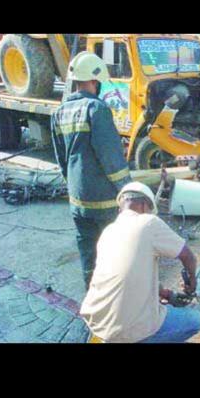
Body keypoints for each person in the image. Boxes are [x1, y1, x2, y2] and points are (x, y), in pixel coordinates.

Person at [79, 182, 200, 343]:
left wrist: (165, 294)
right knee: (195, 319)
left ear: (120, 208)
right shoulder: (148, 222)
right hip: (125, 331)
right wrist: (192, 282)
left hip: (97, 321)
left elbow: (128, 273)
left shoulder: (108, 232)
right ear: (145, 206)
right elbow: (188, 257)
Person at [52, 51, 132, 289]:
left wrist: (75, 186)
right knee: (113, 253)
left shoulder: (58, 113)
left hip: (77, 199)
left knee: (88, 251)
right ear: (95, 81)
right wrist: (128, 189)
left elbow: (62, 159)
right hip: (104, 201)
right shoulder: (97, 109)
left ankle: (91, 297)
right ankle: (113, 302)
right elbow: (111, 160)